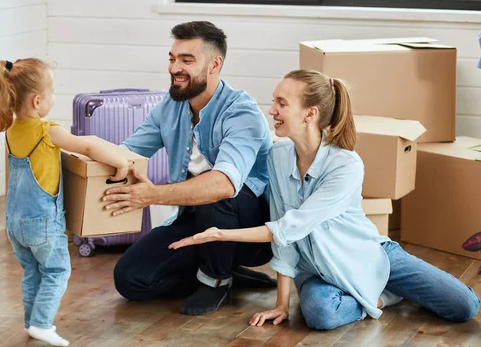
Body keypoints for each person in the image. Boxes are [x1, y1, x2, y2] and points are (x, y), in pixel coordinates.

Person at [170, 69, 480, 330]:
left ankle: (378, 289)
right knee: (320, 315)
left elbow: (289, 226)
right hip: (318, 270)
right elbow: (285, 241)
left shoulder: (346, 165)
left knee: (464, 306)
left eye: (281, 103)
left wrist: (219, 233)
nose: (272, 110)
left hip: (368, 258)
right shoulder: (278, 156)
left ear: (310, 113)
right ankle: (381, 298)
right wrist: (281, 304)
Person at [102, 21, 275, 315]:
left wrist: (151, 195)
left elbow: (224, 184)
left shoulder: (241, 111)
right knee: (130, 280)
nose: (174, 68)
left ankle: (217, 281)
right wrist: (79, 150)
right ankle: (222, 272)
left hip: (250, 232)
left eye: (186, 60)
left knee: (214, 190)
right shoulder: (170, 106)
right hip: (195, 219)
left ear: (214, 64)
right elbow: (125, 154)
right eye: (172, 58)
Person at [0, 58, 131, 347]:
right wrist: (120, 163)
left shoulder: (12, 131)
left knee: (32, 271)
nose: (54, 98)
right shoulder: (48, 131)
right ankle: (43, 324)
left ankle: (32, 321)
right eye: (53, 92)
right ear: (37, 101)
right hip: (42, 222)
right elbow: (87, 146)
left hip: (14, 222)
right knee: (57, 270)